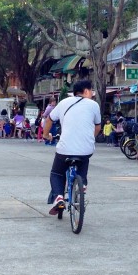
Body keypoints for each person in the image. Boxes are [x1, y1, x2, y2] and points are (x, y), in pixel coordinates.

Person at [43, 79, 102, 215]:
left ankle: (58, 197)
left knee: (57, 173)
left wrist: (46, 135)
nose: (92, 94)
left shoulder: (63, 102)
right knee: (84, 160)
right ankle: (83, 184)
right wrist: (89, 138)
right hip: (86, 149)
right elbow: (98, 126)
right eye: (91, 91)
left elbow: (49, 120)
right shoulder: (94, 105)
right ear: (86, 91)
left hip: (65, 149)